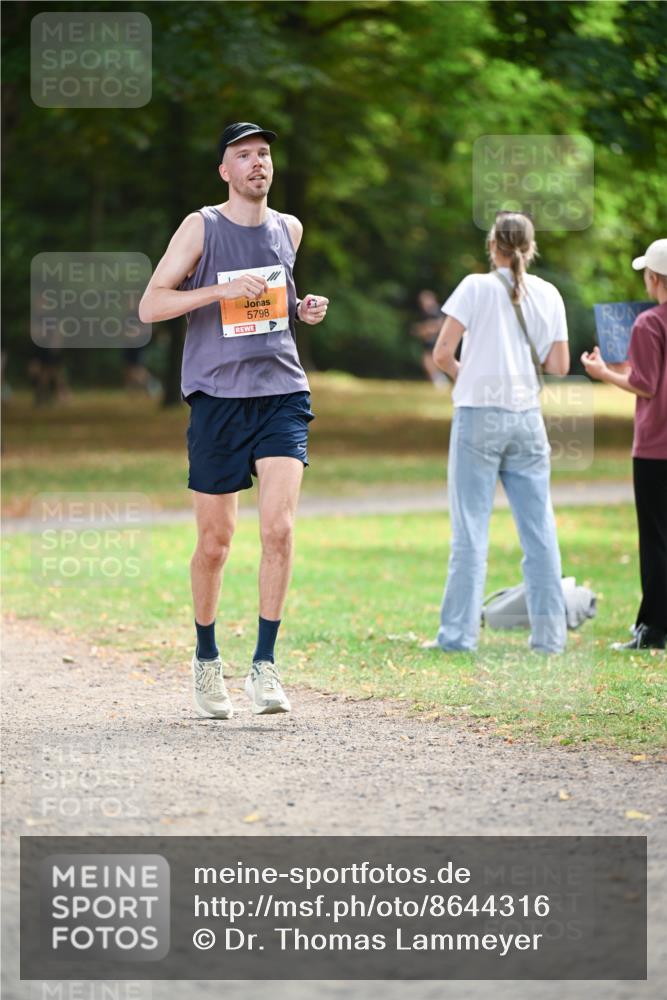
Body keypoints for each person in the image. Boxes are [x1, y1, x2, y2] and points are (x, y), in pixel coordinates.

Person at [139, 122, 329, 718]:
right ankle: (205, 661)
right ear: (225, 171)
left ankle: (265, 667)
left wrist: (303, 309)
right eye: (243, 156)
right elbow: (152, 304)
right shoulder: (202, 226)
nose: (257, 164)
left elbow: (275, 306)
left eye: (264, 155)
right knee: (216, 544)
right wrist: (216, 293)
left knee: (280, 528)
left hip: (282, 392)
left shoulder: (288, 229)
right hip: (218, 399)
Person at [425, 210, 570, 653]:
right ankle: (550, 639)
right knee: (540, 530)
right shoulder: (548, 293)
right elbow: (560, 367)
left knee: (470, 530)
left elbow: (442, 353)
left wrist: (469, 373)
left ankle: (457, 638)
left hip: (477, 415)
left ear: (493, 246)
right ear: (530, 247)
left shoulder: (475, 287)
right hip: (527, 418)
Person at [581, 238, 667, 651]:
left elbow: (645, 385)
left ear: (653, 279)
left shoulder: (649, 323)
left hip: (655, 447)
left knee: (655, 538)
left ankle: (652, 629)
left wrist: (603, 373)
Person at [410, 289, 448, 386]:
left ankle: (440, 382)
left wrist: (427, 328)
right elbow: (416, 329)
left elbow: (441, 325)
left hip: (439, 342)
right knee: (427, 361)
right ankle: (438, 381)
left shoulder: (438, 311)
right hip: (429, 343)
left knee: (431, 361)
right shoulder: (425, 314)